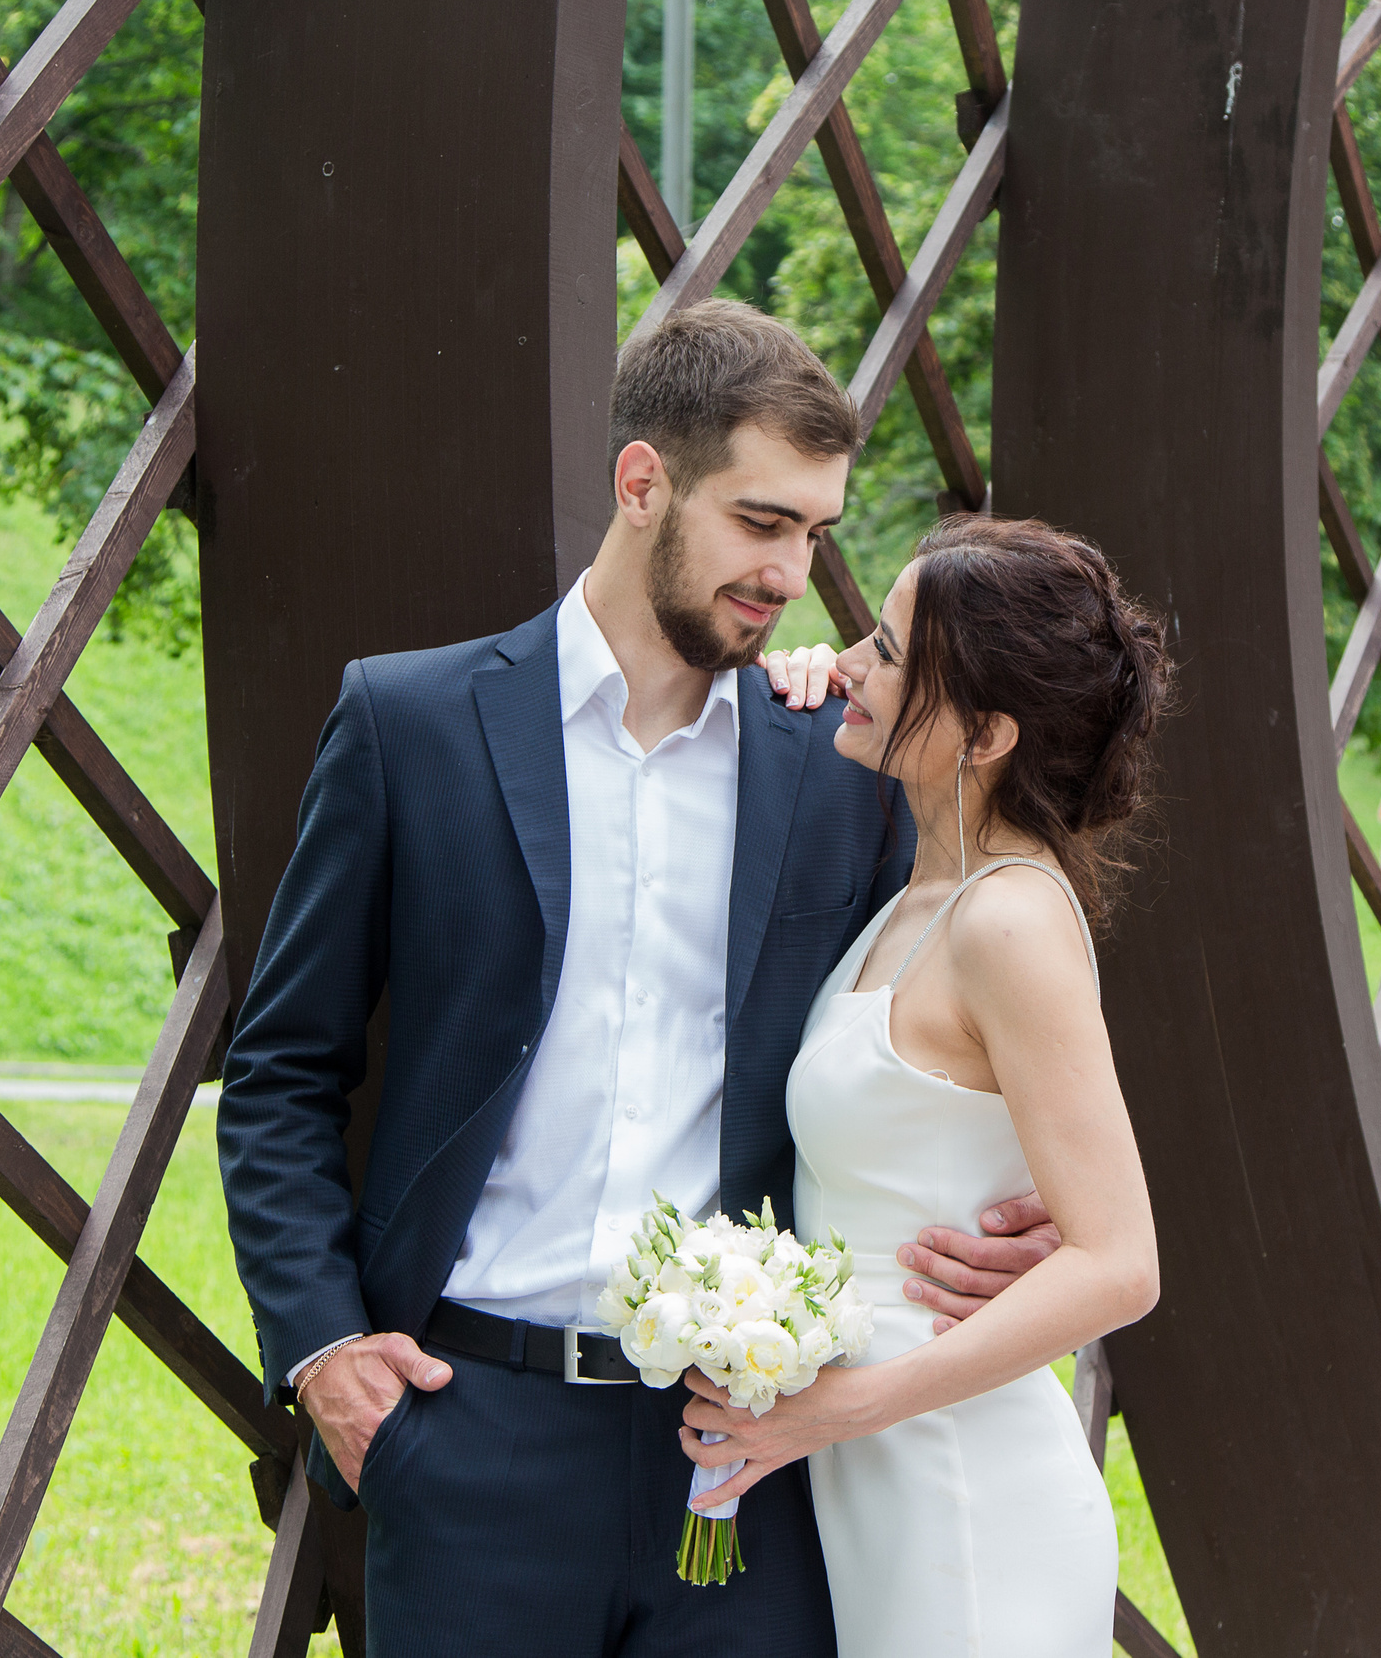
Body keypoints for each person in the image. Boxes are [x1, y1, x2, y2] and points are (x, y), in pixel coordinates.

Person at [216, 301, 1061, 1657]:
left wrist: (1009, 1206)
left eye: (814, 534)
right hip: (469, 1427)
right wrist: (325, 1350)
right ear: (641, 482)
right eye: (761, 521)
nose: (791, 571)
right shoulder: (410, 723)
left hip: (744, 1451)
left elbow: (946, 1013)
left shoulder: (832, 771)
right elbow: (280, 1070)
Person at [692, 517, 1171, 1657]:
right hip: (874, 1476)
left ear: (989, 731)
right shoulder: (917, 897)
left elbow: (1120, 1264)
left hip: (963, 1482)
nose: (850, 662)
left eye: (888, 652)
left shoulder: (1007, 919)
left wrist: (836, 1409)